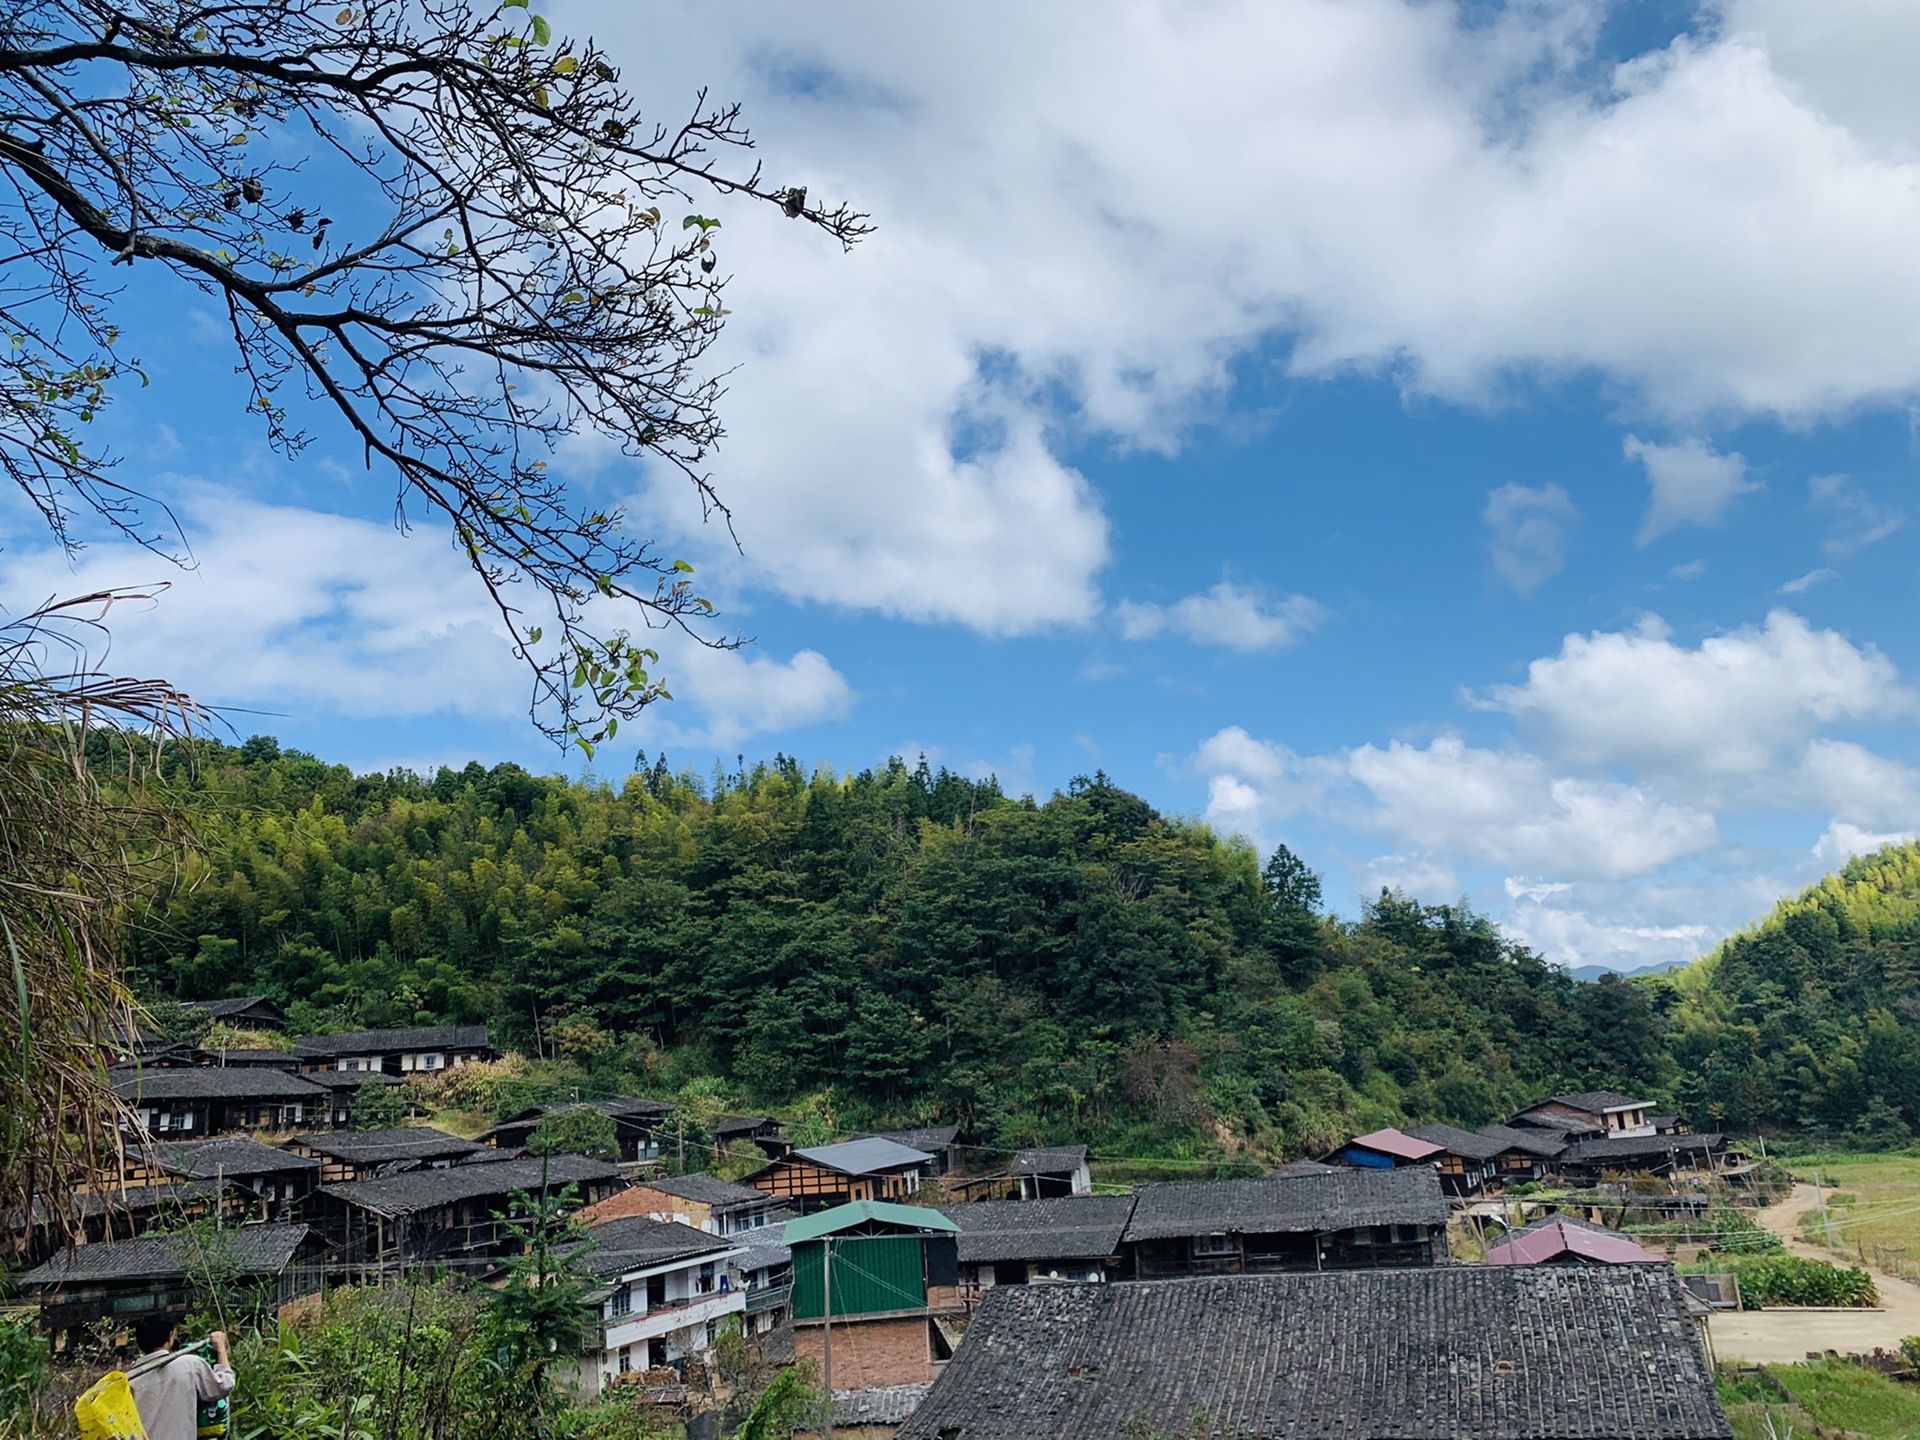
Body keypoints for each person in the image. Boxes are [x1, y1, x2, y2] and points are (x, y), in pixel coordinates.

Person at [124, 1315, 233, 1440]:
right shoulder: (189, 1365)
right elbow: (225, 1385)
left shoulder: (130, 1381)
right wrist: (221, 1351)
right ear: (170, 1337)